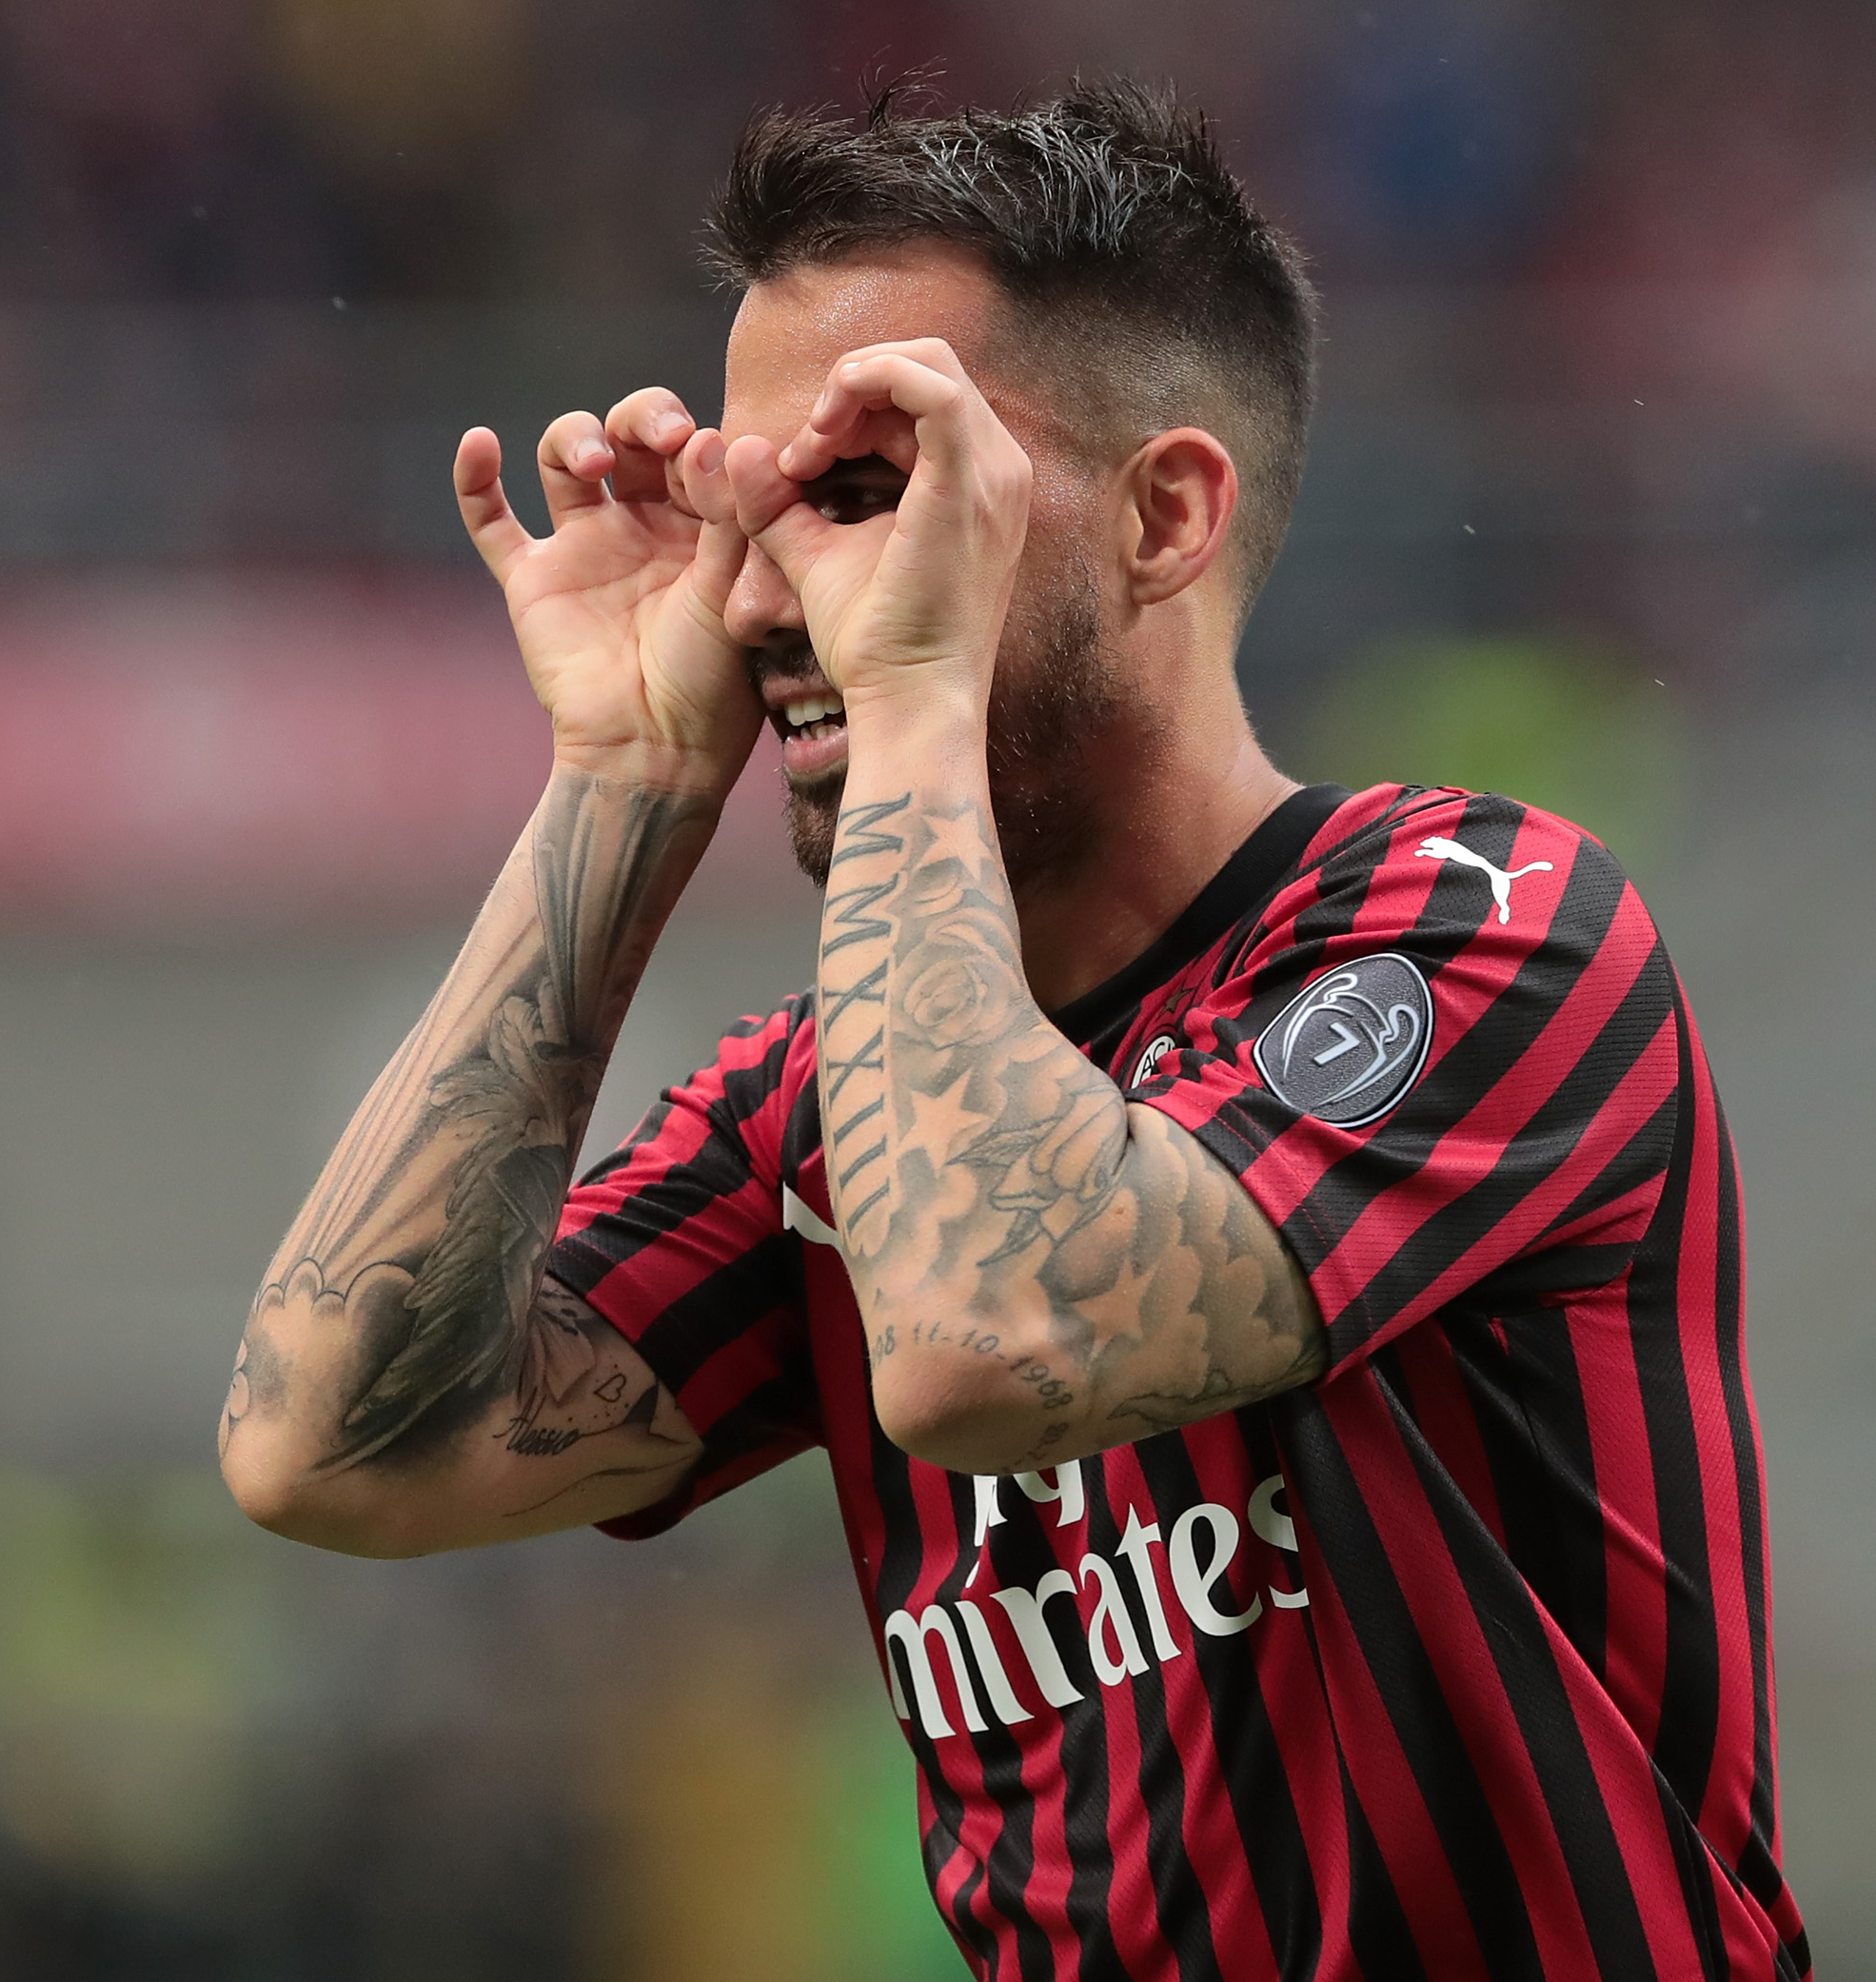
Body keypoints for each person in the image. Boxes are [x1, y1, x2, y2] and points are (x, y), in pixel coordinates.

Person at [215, 80, 1807, 1982]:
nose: (763, 592)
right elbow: (331, 1455)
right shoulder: (813, 1115)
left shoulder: (1483, 932)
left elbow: (992, 1339)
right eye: (748, 501)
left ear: (1163, 517)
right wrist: (624, 777)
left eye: (864, 489)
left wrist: (903, 699)